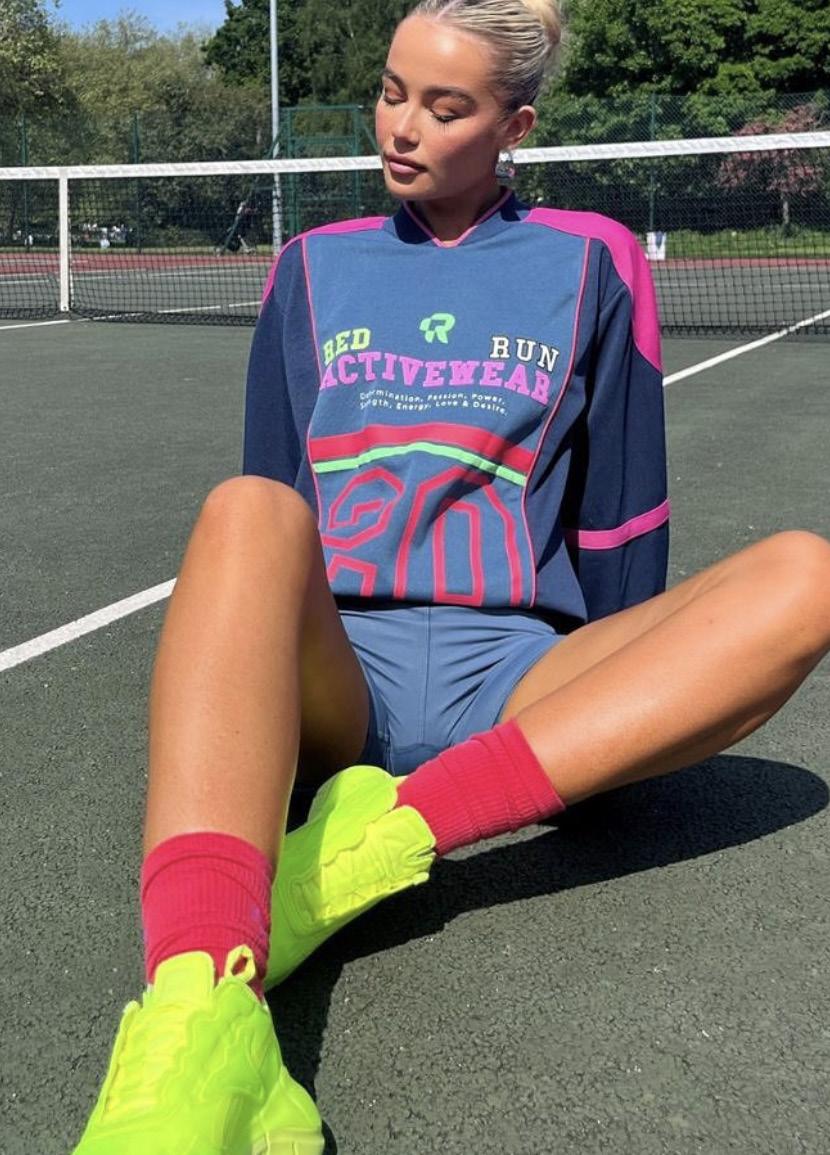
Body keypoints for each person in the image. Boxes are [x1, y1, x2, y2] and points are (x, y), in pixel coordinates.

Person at [71, 1, 830, 1151]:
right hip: (341, 681)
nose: (401, 127)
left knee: (806, 575)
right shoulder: (309, 266)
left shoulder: (592, 259)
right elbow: (272, 506)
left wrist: (612, 725)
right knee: (243, 509)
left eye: (443, 106)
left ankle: (387, 838)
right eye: (390, 94)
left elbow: (622, 514)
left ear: (511, 126)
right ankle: (198, 1009)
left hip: (516, 679)